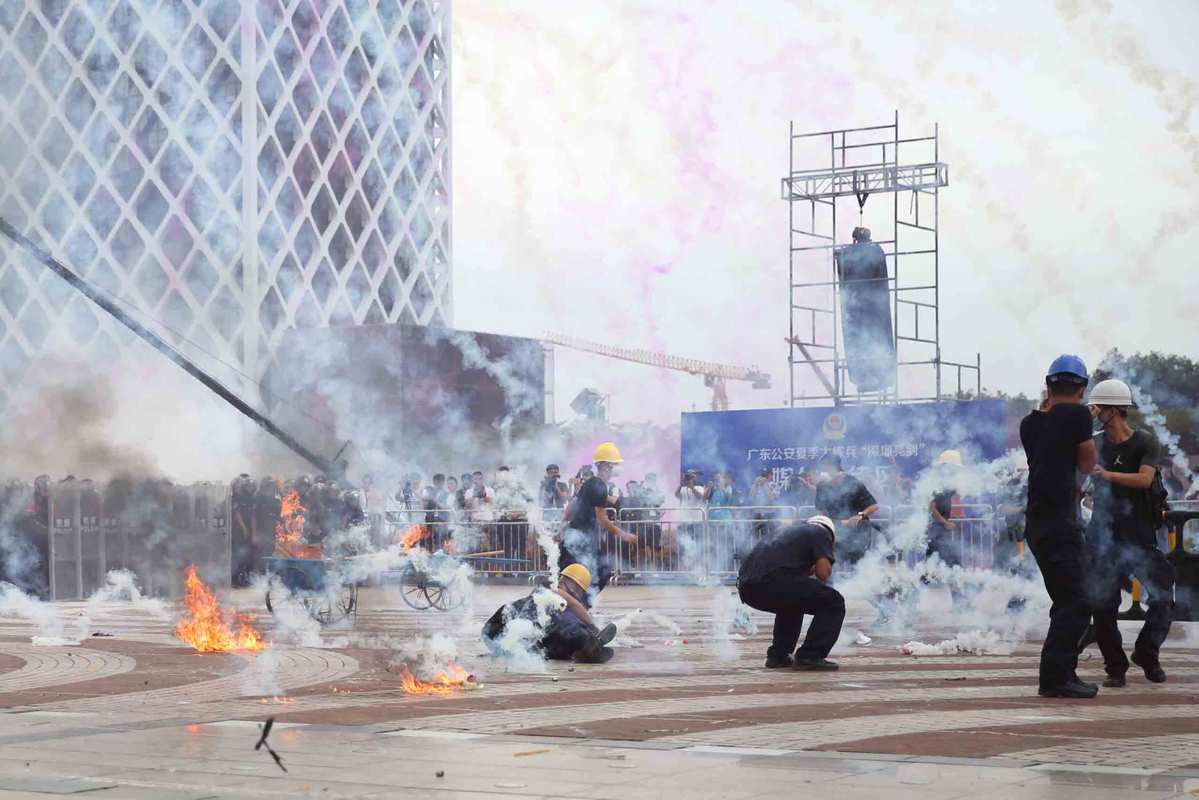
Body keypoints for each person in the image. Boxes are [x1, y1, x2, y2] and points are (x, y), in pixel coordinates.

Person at [1085, 378, 1173, 686]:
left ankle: (1147, 652)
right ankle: (1115, 667)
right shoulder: (1092, 443)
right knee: (1104, 604)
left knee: (1163, 595)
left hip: (1138, 534)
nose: (1094, 413)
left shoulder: (1144, 442)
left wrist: (1106, 474)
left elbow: (1145, 480)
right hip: (1102, 536)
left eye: (1099, 408)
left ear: (1114, 410)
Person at [1020, 354, 1099, 699]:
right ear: (1081, 388)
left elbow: (1050, 446)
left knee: (1065, 600)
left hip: (1038, 523)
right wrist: (1086, 425)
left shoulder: (1028, 423)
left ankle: (1063, 673)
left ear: (1049, 384)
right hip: (1060, 523)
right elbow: (1087, 463)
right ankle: (1054, 679)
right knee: (1077, 602)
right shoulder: (1078, 415)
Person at [737, 515, 845, 671]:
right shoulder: (820, 532)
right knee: (834, 602)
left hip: (747, 587)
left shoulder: (788, 531)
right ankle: (810, 655)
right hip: (773, 580)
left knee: (794, 601)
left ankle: (779, 655)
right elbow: (823, 573)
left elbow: (784, 563)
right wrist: (823, 564)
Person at [481, 563, 618, 664]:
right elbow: (575, 606)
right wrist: (592, 627)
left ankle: (590, 646)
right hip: (503, 628)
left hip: (501, 635)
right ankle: (591, 645)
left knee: (561, 634)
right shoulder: (550, 588)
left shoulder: (550, 597)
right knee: (571, 626)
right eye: (577, 589)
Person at [559, 443, 638, 592]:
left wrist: (561, 529)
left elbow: (569, 510)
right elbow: (601, 518)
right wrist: (624, 535)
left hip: (575, 536)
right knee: (601, 571)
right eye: (616, 464)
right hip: (582, 538)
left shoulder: (590, 483)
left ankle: (575, 606)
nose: (619, 467)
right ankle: (578, 607)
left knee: (578, 574)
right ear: (607, 466)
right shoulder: (600, 487)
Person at [814, 454, 879, 567]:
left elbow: (873, 506)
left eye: (825, 468)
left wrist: (859, 516)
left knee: (857, 568)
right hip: (835, 533)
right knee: (833, 567)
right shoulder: (822, 486)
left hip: (858, 534)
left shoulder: (853, 483)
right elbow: (821, 511)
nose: (823, 472)